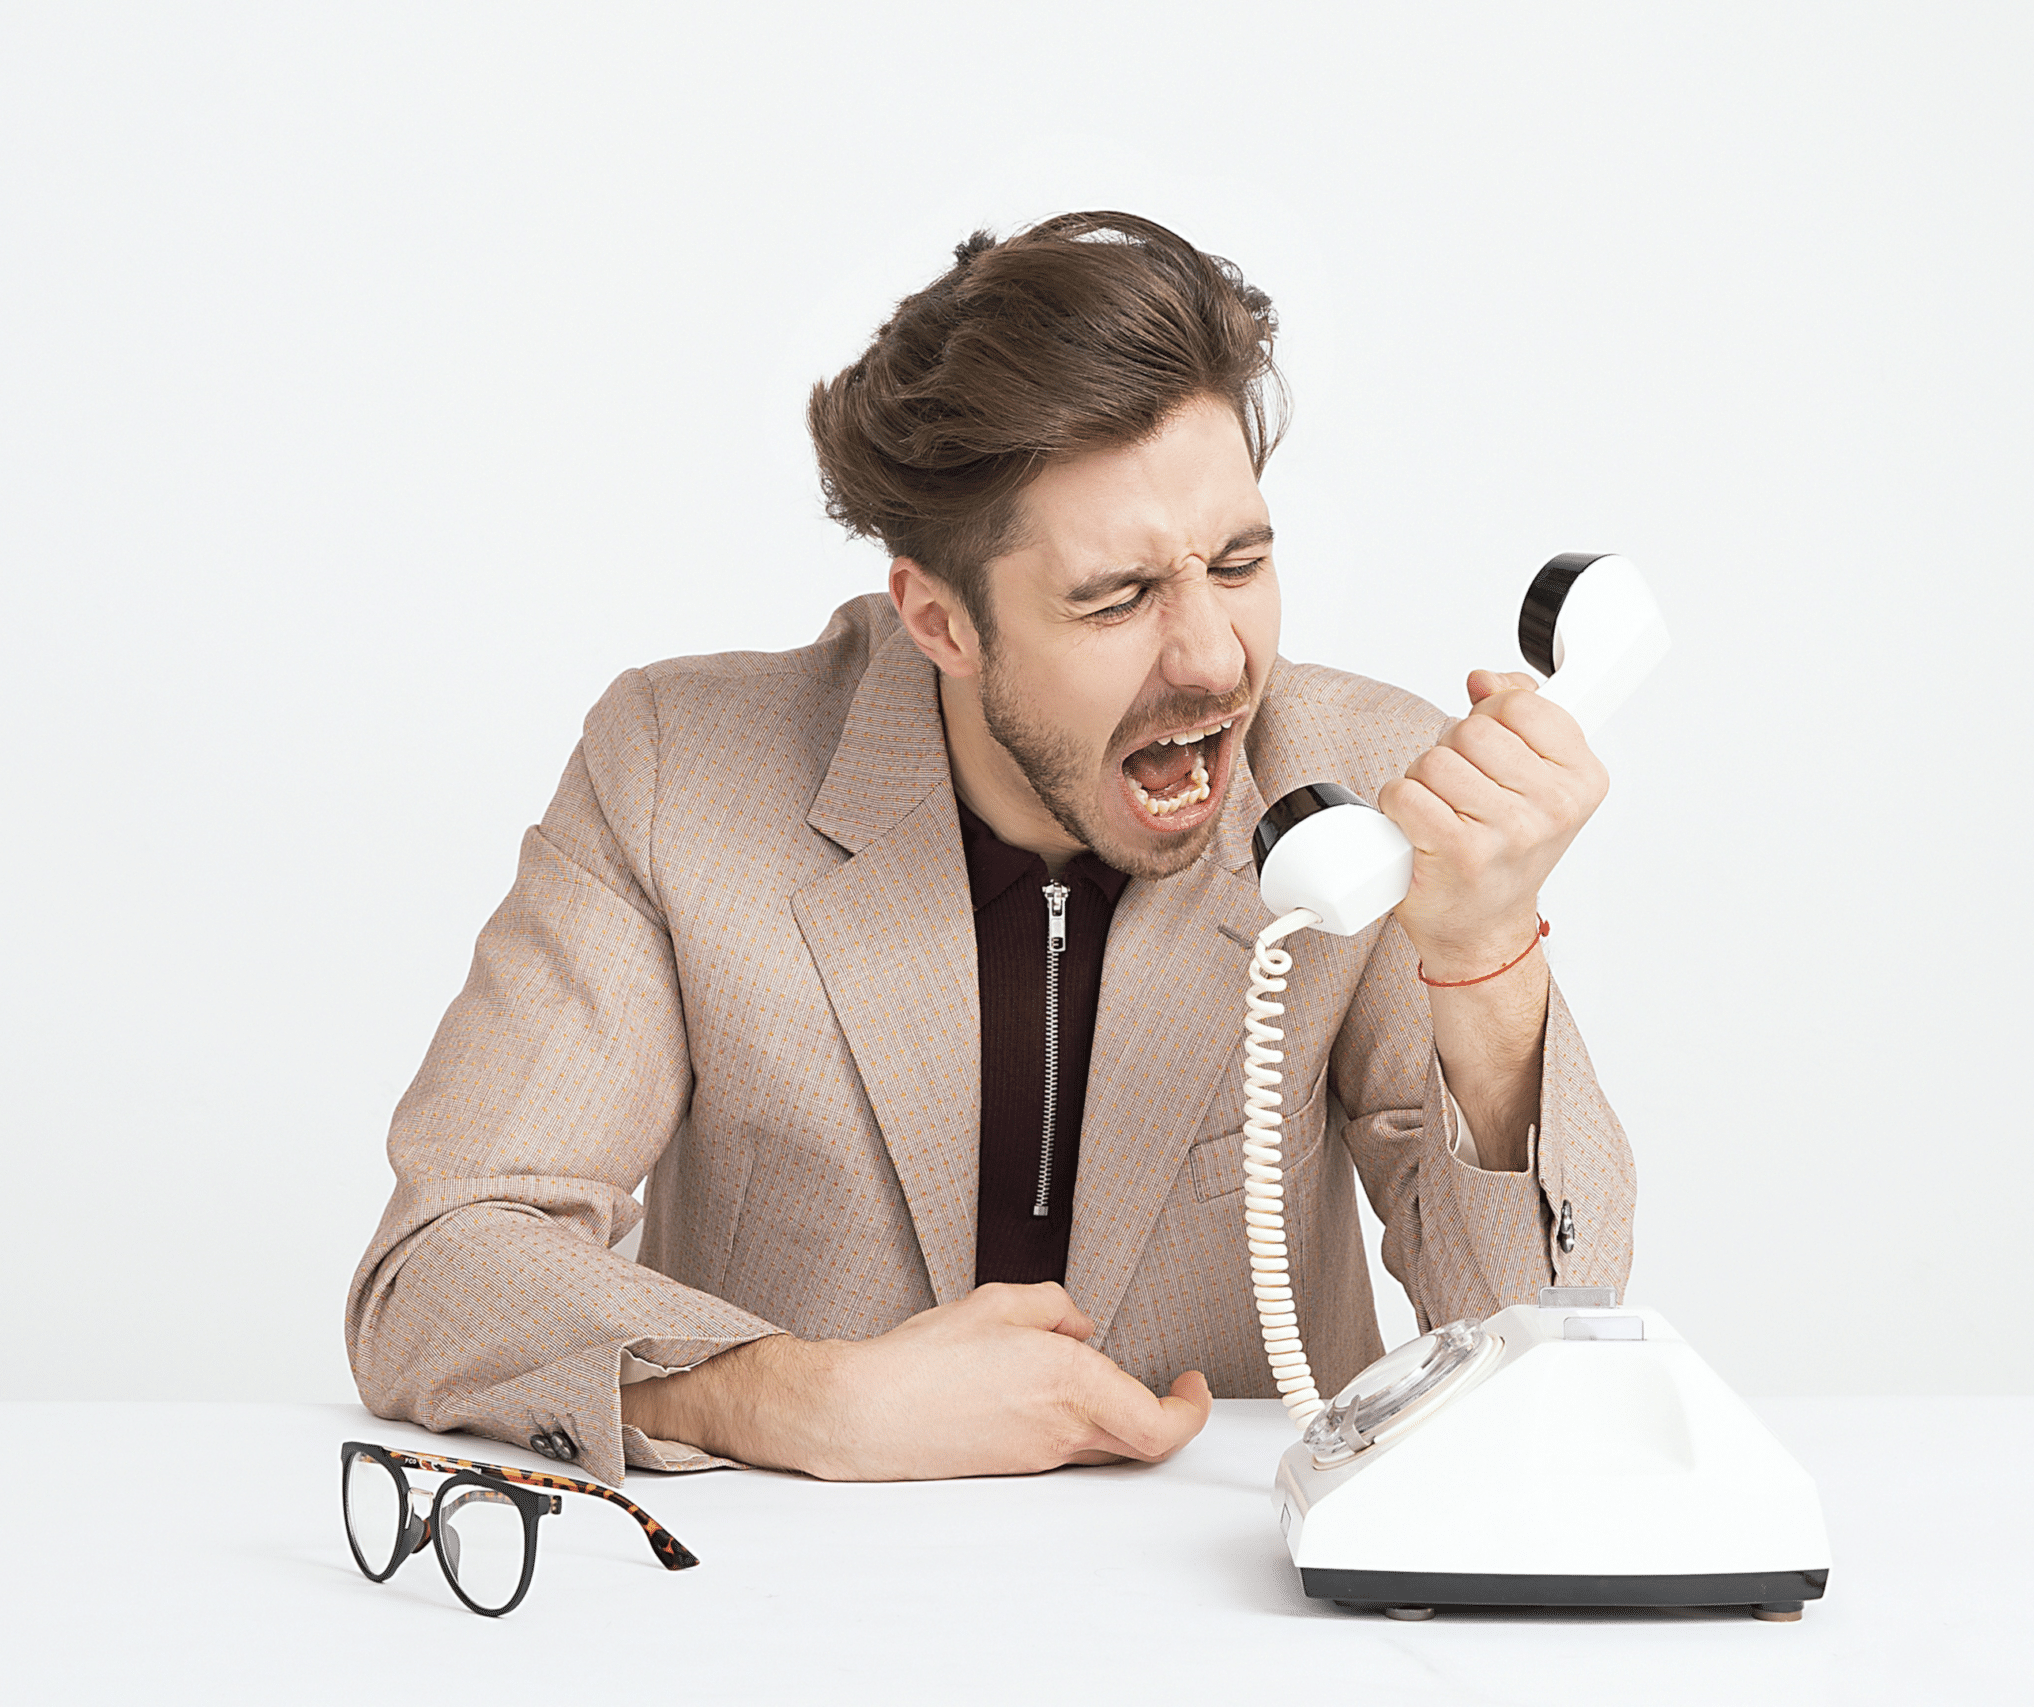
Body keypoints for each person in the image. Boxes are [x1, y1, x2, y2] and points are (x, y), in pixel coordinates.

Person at [345, 211, 1634, 1485]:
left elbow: (1550, 1347)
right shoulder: (678, 767)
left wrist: (1482, 959)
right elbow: (441, 1264)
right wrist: (797, 1400)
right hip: (785, 1612)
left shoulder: (1359, 781)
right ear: (941, 620)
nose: (1215, 659)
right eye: (1116, 597)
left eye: (1239, 564)